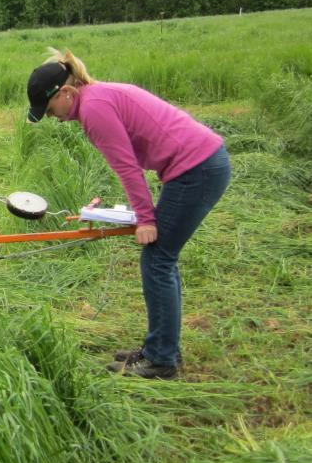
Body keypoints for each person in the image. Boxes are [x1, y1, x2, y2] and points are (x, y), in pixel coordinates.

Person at [25, 49, 231, 379]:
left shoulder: (94, 110)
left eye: (50, 111)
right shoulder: (97, 97)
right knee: (163, 258)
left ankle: (161, 359)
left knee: (158, 258)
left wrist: (146, 220)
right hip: (200, 164)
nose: (54, 118)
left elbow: (127, 168)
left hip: (197, 169)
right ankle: (160, 348)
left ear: (65, 93)